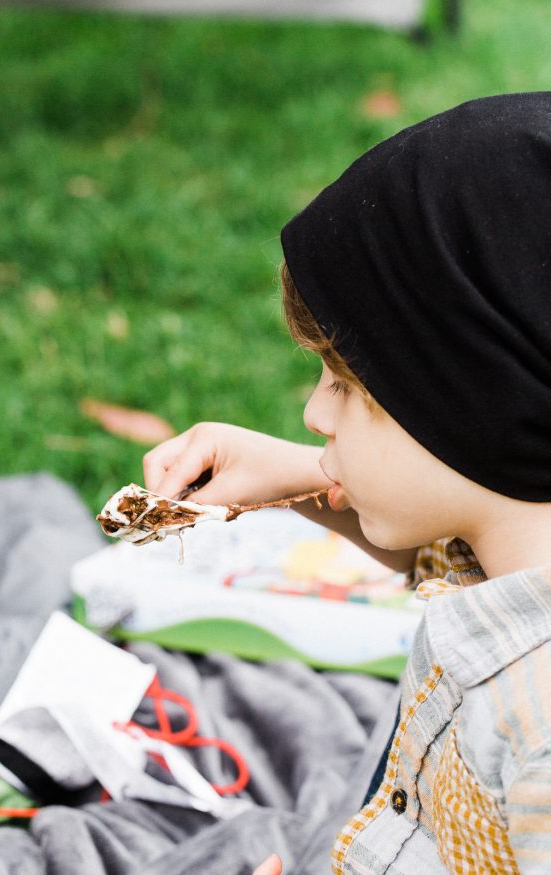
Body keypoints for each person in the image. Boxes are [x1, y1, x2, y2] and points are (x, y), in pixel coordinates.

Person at [144, 92, 551, 873]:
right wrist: (291, 478)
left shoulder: (539, 729)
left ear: (462, 400)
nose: (312, 413)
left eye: (341, 382)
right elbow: (438, 551)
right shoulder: (509, 516)